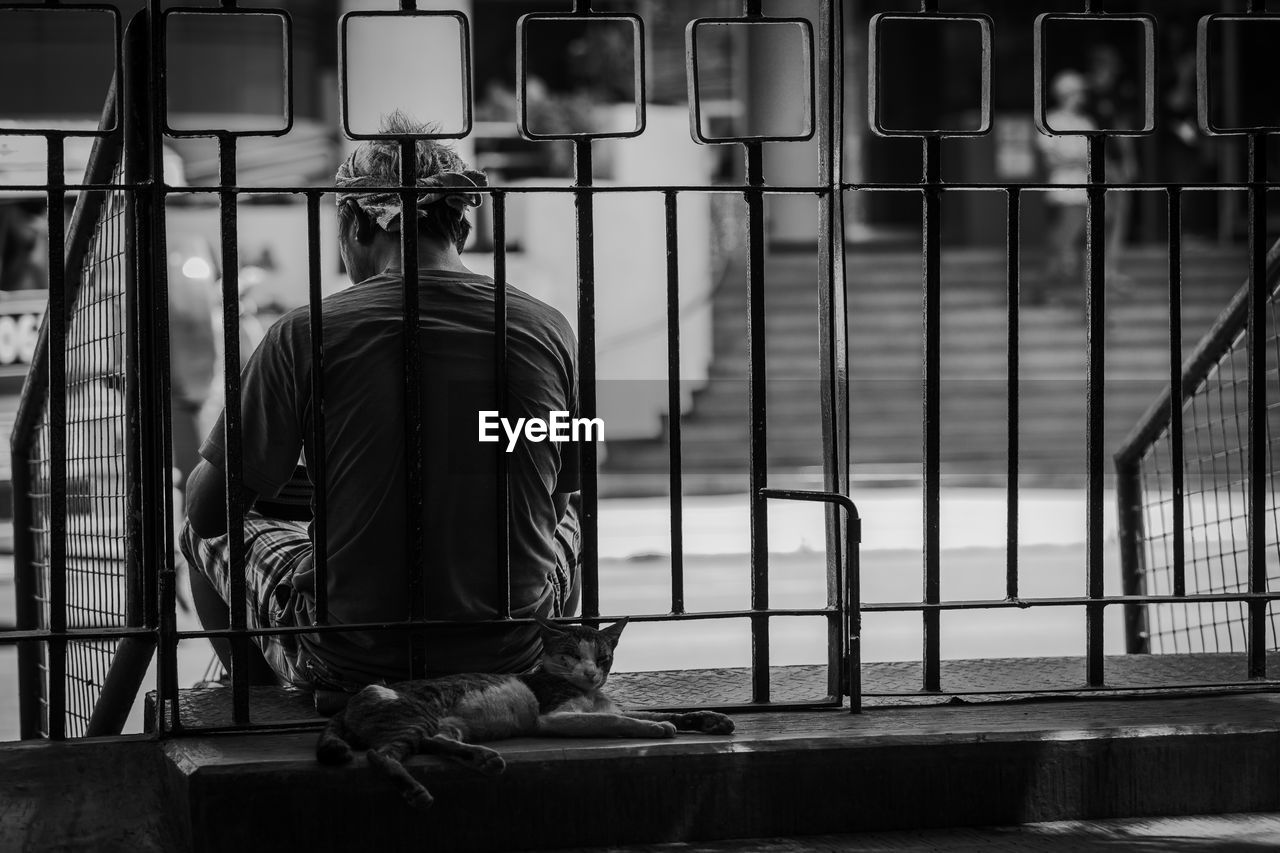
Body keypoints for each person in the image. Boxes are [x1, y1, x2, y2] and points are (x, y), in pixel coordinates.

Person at [181, 112, 583, 705]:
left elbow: (211, 512)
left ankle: (269, 700)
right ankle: (530, 675)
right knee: (571, 521)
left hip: (351, 655)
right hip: (506, 647)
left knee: (202, 536)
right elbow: (556, 493)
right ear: (460, 227)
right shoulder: (547, 328)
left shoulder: (304, 334)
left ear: (357, 225)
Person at [1033, 70, 1094, 304]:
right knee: (1062, 244)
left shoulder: (1085, 122)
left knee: (1078, 247)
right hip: (1064, 192)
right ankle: (1042, 290)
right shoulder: (1052, 120)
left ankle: (1083, 298)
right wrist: (1079, 161)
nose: (1082, 96)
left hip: (1085, 191)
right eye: (1078, 92)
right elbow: (1051, 159)